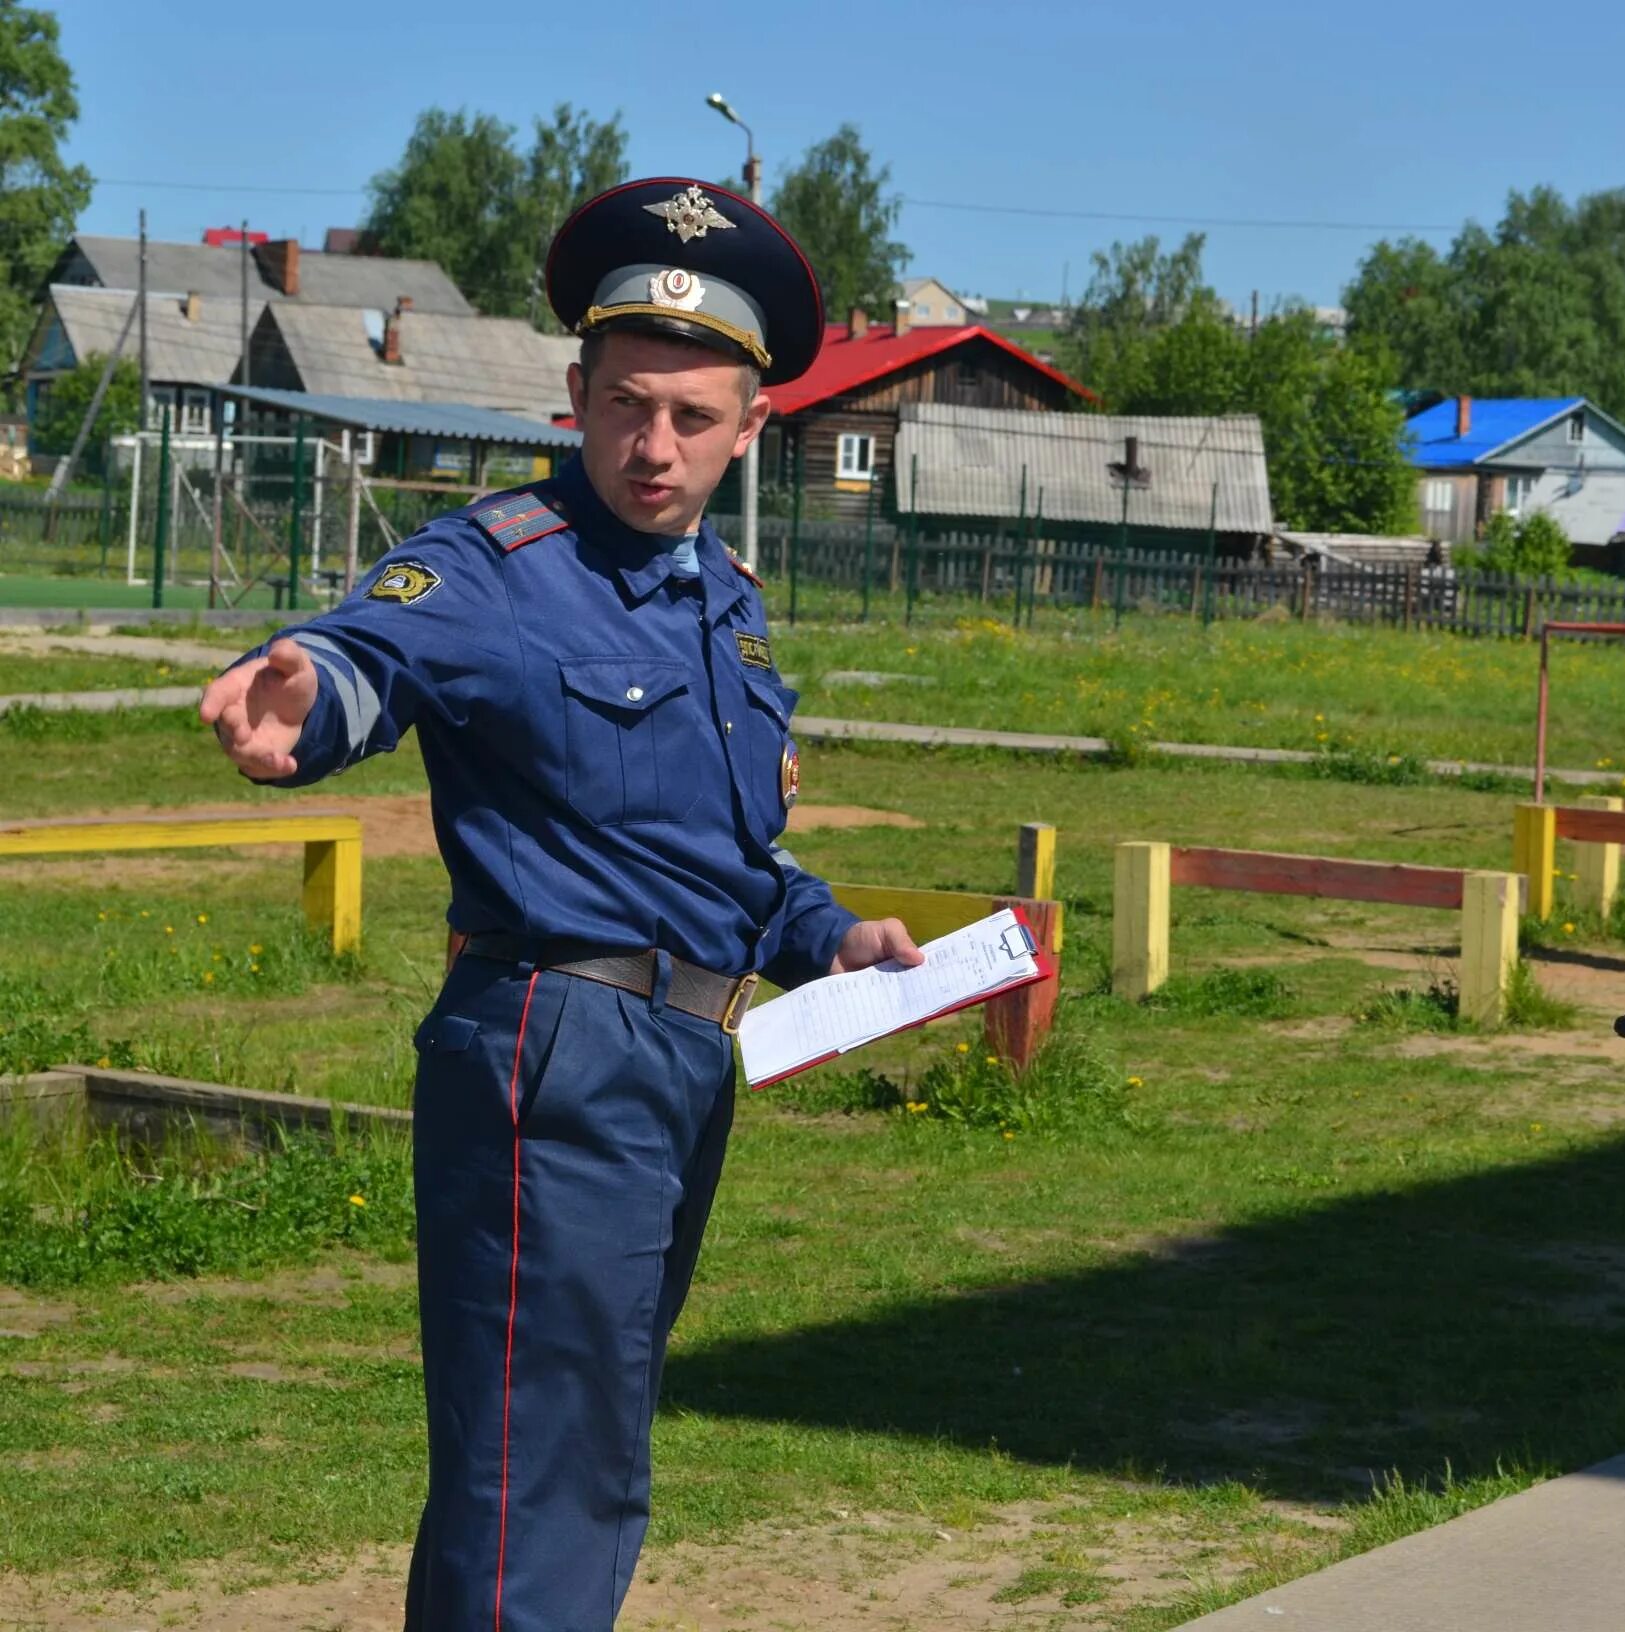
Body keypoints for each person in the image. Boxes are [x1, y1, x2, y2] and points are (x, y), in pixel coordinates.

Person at [197, 177, 922, 1631]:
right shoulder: (499, 565)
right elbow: (365, 659)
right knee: (537, 1466)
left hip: (679, 1060)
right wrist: (305, 700)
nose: (652, 449)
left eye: (692, 417)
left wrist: (825, 937)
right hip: (555, 1046)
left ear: (753, 425)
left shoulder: (722, 600)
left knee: (586, 1448)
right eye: (624, 406)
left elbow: (712, 852)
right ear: (572, 393)